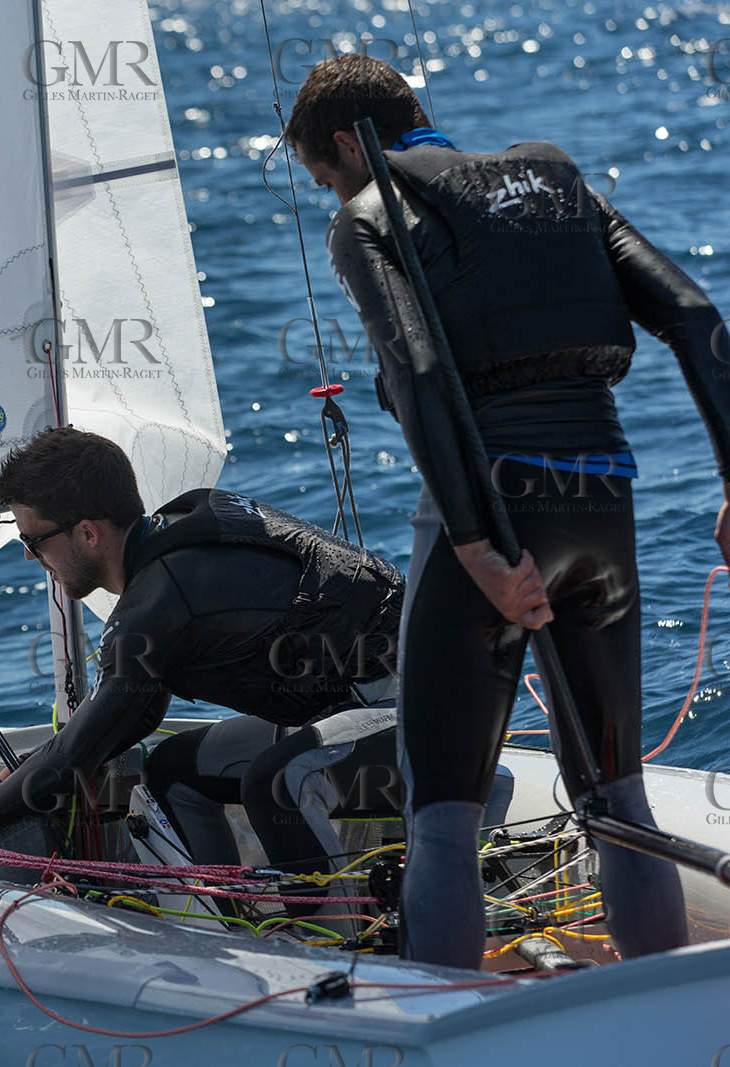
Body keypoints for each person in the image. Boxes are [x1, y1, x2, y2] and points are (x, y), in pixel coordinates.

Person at [285, 52, 728, 967]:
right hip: (604, 501)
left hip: (495, 509)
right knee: (617, 800)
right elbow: (692, 311)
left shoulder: (366, 219)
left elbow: (414, 377)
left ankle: (447, 1025)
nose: (331, 197)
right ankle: (665, 1012)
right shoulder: (558, 181)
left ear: (344, 146)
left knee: (441, 819)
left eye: (323, 179)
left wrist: (480, 547)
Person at [0, 427, 408, 907]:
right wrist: (37, 770)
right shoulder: (175, 545)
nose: (31, 558)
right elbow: (123, 723)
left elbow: (80, 749)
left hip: (434, 705)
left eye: (33, 542)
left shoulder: (158, 604)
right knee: (173, 769)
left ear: (88, 533)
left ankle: (330, 951)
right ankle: (229, 917)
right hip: (365, 707)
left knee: (276, 779)